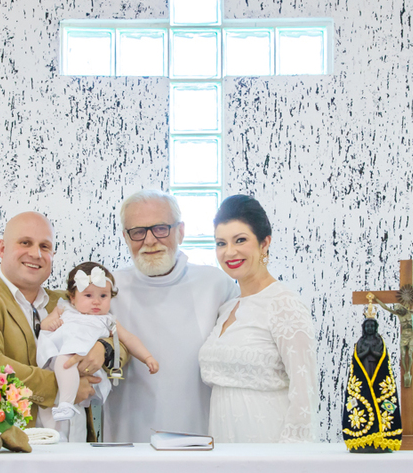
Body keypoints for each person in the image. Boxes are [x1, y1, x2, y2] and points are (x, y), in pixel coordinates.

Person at [0, 212, 124, 426]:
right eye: (25, 243)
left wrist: (103, 348)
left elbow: (119, 336)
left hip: (77, 441)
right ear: (2, 248)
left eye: (44, 246)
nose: (36, 254)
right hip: (16, 444)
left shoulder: (70, 301)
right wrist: (63, 388)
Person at [103, 189, 238, 443]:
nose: (150, 240)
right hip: (128, 440)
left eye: (161, 228)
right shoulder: (107, 290)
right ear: (125, 237)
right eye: (138, 232)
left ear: (181, 231)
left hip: (202, 438)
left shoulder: (216, 285)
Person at [198, 195, 319, 443]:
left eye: (240, 240)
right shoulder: (226, 309)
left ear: (265, 243)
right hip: (222, 442)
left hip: (269, 444)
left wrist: (290, 456)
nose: (229, 252)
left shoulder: (284, 304)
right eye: (221, 243)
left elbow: (305, 391)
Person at [36, 261, 159, 437]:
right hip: (60, 359)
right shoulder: (63, 309)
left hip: (86, 367)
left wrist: (147, 357)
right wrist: (51, 323)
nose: (96, 301)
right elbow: (44, 326)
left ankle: (66, 405)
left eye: (103, 296)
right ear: (72, 297)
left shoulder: (107, 320)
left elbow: (129, 339)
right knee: (64, 362)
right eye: (88, 295)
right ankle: (65, 403)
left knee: (72, 430)